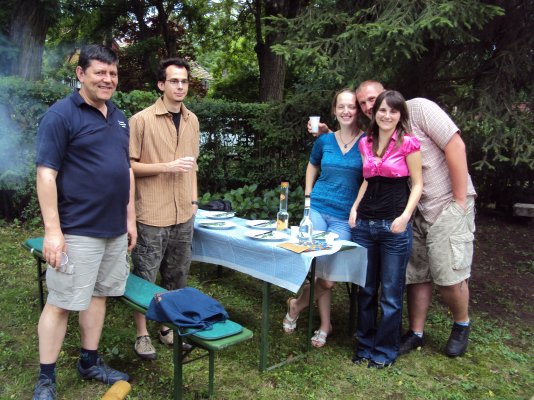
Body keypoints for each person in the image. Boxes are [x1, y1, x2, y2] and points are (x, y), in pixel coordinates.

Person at [315, 80, 477, 358]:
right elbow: (356, 156)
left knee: (448, 275)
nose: (368, 107)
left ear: (388, 98)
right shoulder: (372, 137)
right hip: (406, 213)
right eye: (363, 103)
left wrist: (460, 200)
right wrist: (328, 134)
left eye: (372, 99)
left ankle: (461, 324)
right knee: (416, 275)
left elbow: (456, 146)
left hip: (445, 202)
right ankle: (415, 333)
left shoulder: (420, 110)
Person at [33, 44, 137, 400]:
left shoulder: (119, 116)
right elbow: (46, 174)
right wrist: (53, 232)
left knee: (99, 295)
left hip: (114, 229)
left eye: (113, 73)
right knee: (61, 301)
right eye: (100, 72)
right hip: (77, 229)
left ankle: (89, 362)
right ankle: (46, 379)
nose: (108, 79)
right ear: (81, 74)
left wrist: (130, 218)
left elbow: (125, 169)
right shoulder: (61, 115)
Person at [128, 57, 200, 360]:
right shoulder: (141, 120)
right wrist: (166, 166)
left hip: (183, 212)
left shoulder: (192, 120)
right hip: (152, 213)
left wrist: (194, 202)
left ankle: (168, 327)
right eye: (174, 81)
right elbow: (129, 166)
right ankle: (141, 333)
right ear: (161, 84)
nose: (180, 86)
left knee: (178, 275)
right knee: (145, 277)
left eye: (184, 81)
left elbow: (193, 166)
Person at [283, 88, 364, 347]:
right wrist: (307, 197)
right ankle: (325, 324)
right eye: (341, 106)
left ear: (358, 110)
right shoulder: (325, 141)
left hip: (343, 218)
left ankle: (296, 305)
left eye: (351, 106)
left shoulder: (367, 142)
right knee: (319, 270)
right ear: (334, 110)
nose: (346, 111)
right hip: (317, 209)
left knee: (328, 279)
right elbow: (312, 164)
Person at [349, 90, 423, 368]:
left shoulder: (409, 143)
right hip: (365, 226)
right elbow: (367, 179)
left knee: (390, 294)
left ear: (400, 114)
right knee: (366, 290)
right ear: (374, 112)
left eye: (393, 111)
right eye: (382, 110)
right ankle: (365, 345)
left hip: (394, 227)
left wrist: (405, 216)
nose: (387, 115)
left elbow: (418, 184)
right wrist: (354, 208)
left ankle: (384, 351)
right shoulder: (365, 143)